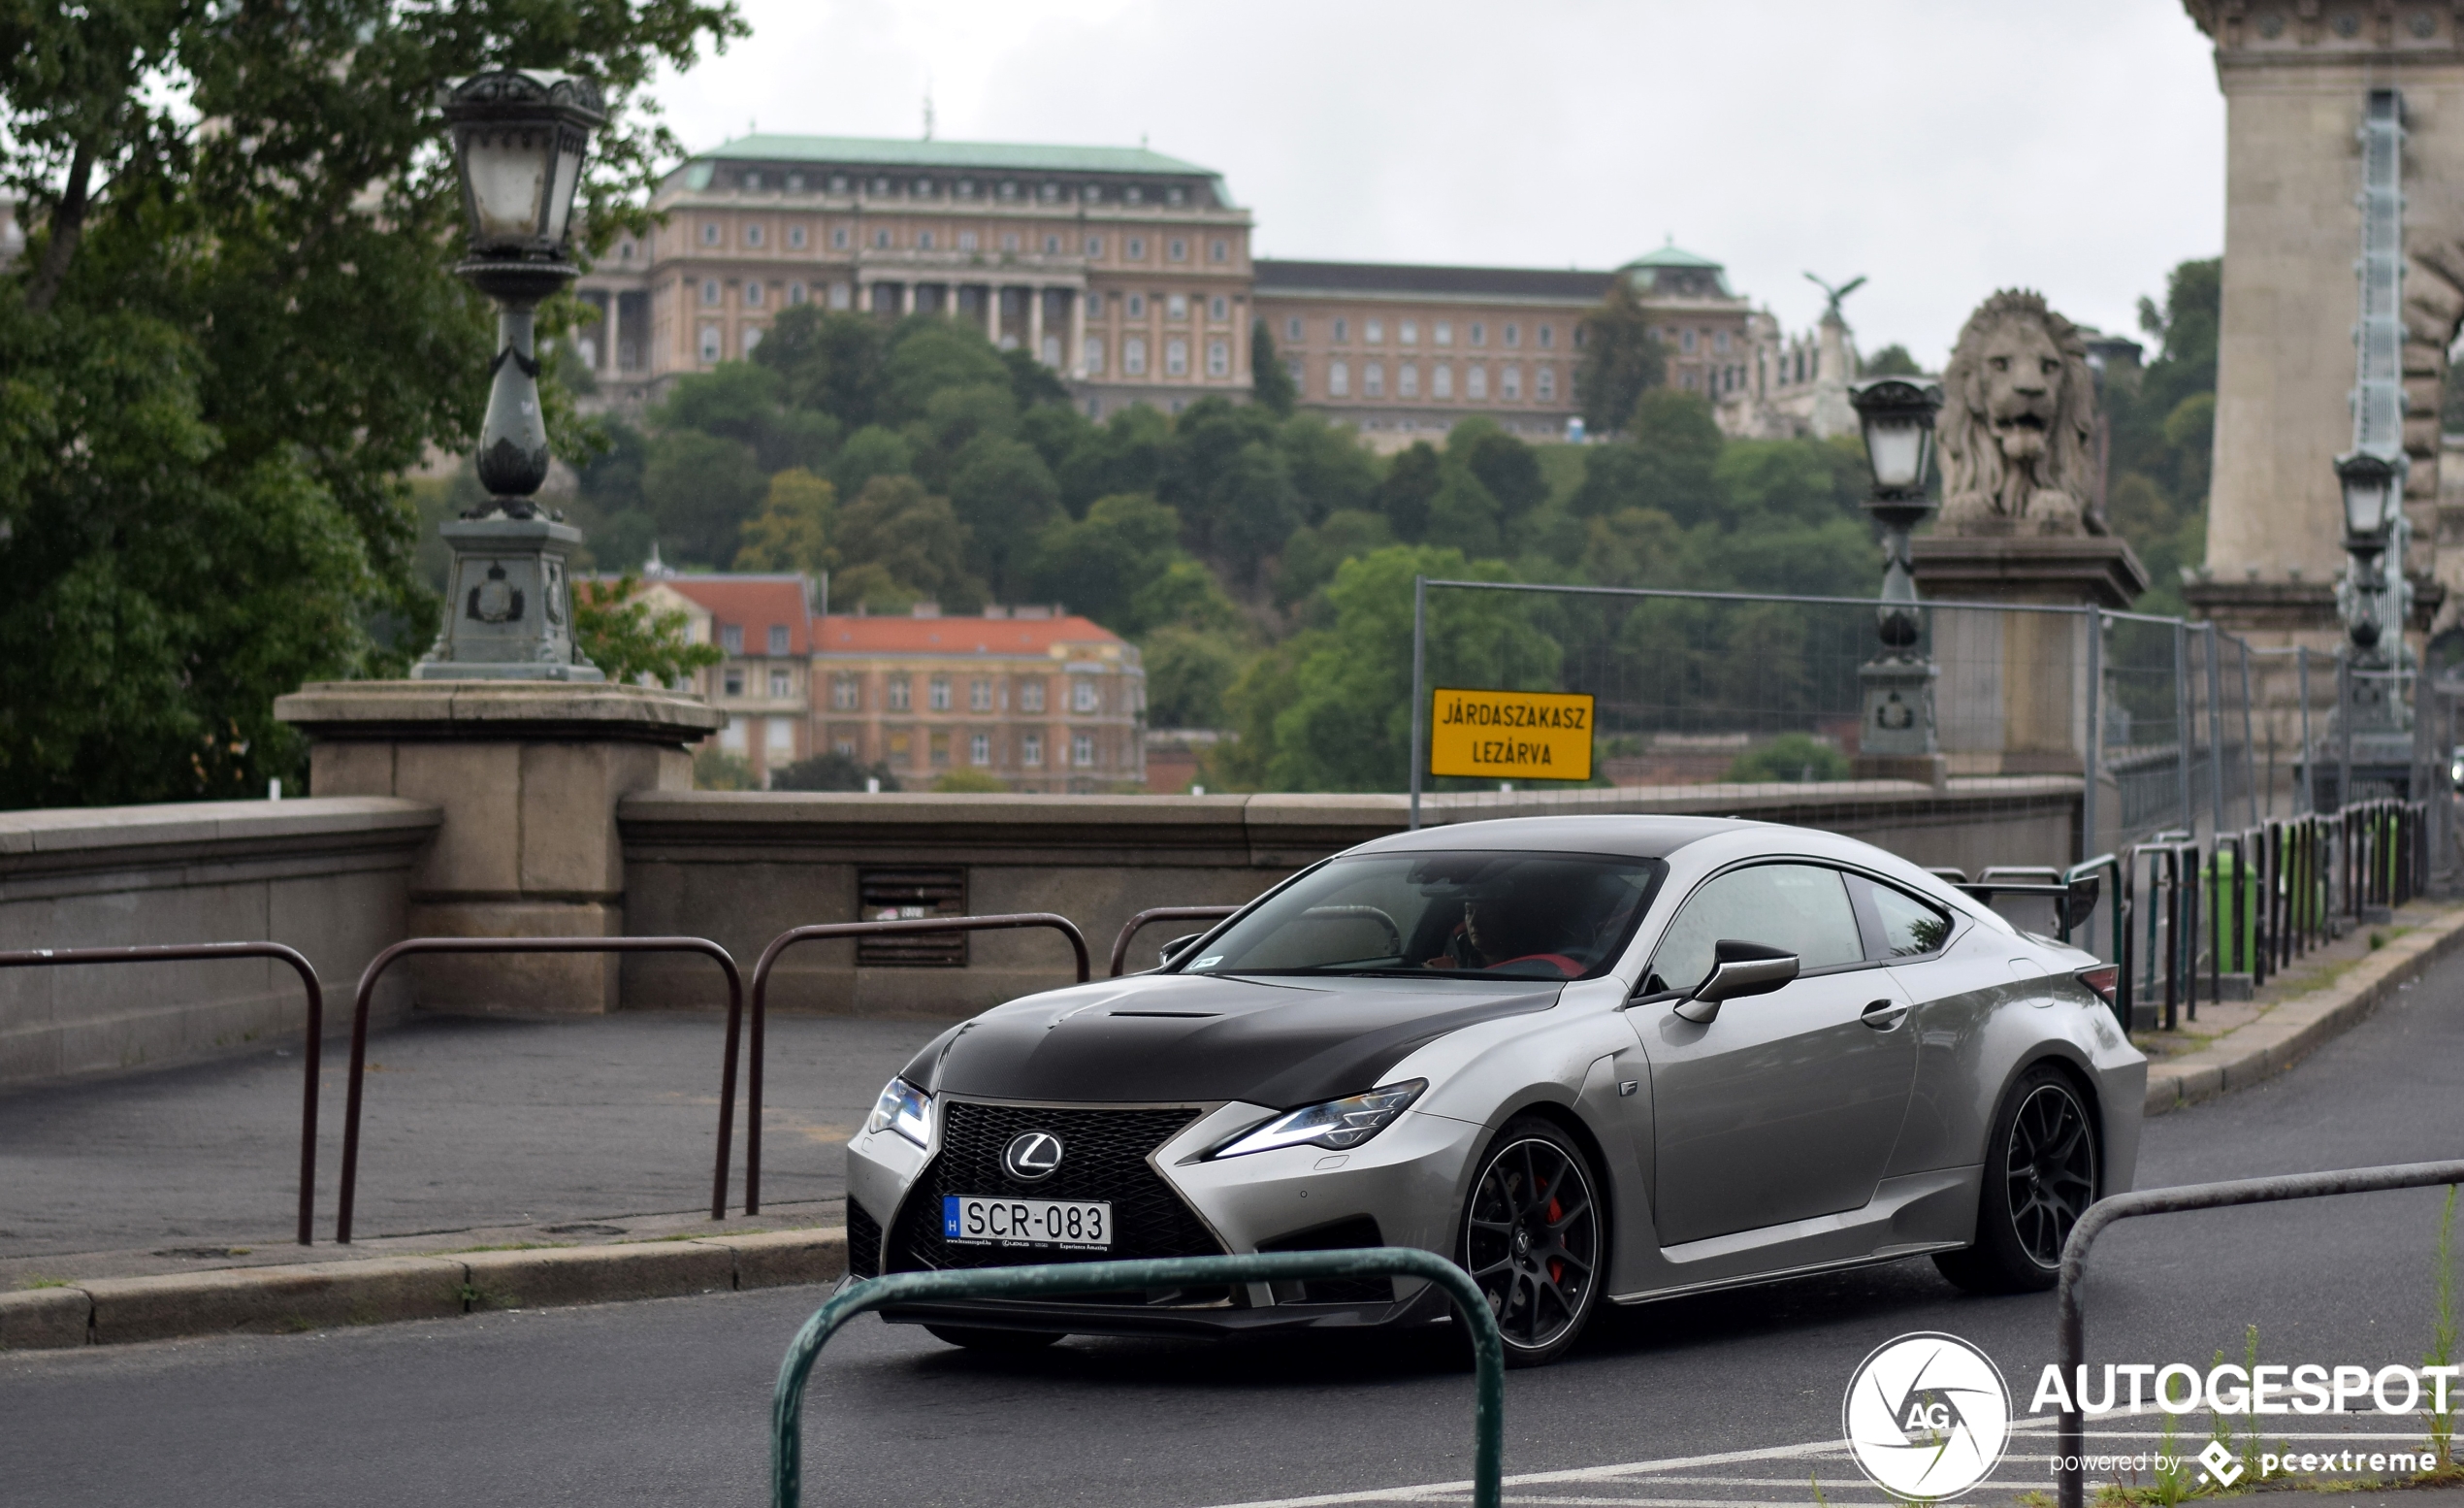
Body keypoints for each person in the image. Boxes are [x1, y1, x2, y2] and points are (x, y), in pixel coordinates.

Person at [1423, 892, 1582, 976]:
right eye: (1469, 911)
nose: (1474, 921)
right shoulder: (1458, 955)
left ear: (1506, 918)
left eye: (1487, 913)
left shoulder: (1539, 968)